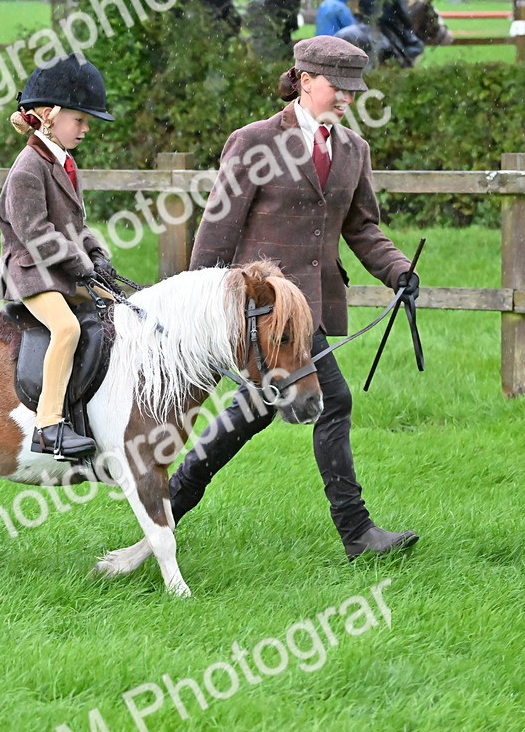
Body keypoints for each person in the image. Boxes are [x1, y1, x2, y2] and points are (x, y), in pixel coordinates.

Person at [167, 36, 421, 560]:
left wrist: (398, 270)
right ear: (304, 81)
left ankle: (168, 505)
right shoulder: (255, 142)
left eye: (354, 89)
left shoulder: (353, 151)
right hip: (262, 309)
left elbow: (363, 227)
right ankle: (358, 534)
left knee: (253, 412)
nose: (347, 98)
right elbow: (218, 228)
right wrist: (193, 301)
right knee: (333, 401)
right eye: (338, 87)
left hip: (315, 306)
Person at [0, 54, 116, 459]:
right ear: (49, 116)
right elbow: (36, 235)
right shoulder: (28, 168)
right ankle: (47, 426)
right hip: (31, 273)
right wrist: (81, 263)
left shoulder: (62, 162)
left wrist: (98, 254)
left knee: (116, 313)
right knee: (66, 329)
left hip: (59, 271)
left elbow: (75, 223)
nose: (85, 129)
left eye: (86, 122)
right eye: (79, 120)